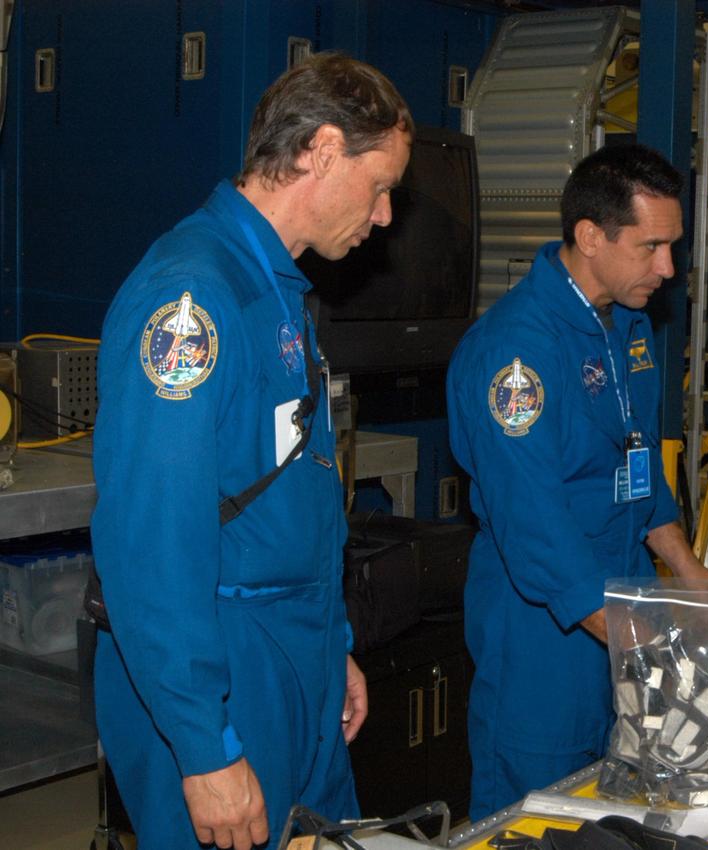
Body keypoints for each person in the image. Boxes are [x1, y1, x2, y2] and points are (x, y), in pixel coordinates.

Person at [91, 53, 412, 849]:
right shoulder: (192, 298)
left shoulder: (273, 288)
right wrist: (204, 747)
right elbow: (153, 545)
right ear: (323, 150)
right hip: (218, 663)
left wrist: (330, 647)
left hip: (291, 648)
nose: (382, 218)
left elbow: (288, 495)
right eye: (379, 189)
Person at [447, 144, 708, 818]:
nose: (668, 268)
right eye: (651, 246)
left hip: (627, 597)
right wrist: (647, 651)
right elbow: (534, 525)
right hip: (549, 627)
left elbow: (637, 465)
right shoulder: (516, 355)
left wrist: (687, 571)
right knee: (538, 814)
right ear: (590, 238)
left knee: (621, 809)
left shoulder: (626, 325)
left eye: (672, 246)